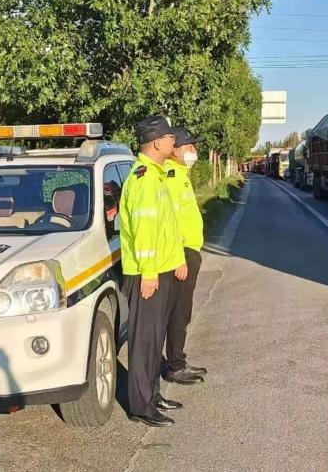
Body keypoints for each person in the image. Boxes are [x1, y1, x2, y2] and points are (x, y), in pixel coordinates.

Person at [119, 115, 189, 427]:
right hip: (148, 275)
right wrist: (148, 271)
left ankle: (153, 395)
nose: (175, 143)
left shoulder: (158, 175)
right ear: (158, 142)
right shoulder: (145, 178)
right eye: (171, 138)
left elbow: (166, 229)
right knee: (144, 342)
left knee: (155, 337)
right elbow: (145, 230)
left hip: (162, 271)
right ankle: (140, 406)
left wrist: (177, 261)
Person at [163, 127, 207, 385]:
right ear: (175, 150)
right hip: (180, 254)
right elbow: (169, 222)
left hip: (188, 251)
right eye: (189, 146)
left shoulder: (181, 174)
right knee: (179, 311)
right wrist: (179, 255)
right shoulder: (170, 176)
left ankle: (177, 359)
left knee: (183, 310)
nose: (194, 151)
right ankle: (175, 366)